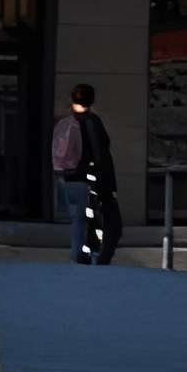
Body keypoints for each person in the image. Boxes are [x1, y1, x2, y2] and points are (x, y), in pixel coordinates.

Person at [51, 83, 123, 263]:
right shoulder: (91, 121)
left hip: (68, 177)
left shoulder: (66, 122)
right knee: (111, 221)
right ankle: (100, 258)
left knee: (79, 220)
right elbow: (100, 154)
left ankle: (80, 255)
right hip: (92, 179)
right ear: (91, 100)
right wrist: (106, 181)